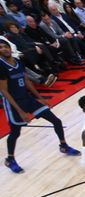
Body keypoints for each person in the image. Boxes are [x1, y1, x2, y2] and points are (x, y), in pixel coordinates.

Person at [0, 39, 77, 173]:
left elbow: (26, 80)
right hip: (13, 104)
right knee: (15, 132)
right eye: (1, 48)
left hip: (27, 99)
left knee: (56, 121)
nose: (4, 49)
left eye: (5, 46)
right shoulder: (1, 66)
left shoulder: (18, 61)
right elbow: (4, 91)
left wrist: (39, 98)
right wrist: (21, 111)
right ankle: (10, 159)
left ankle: (63, 145)